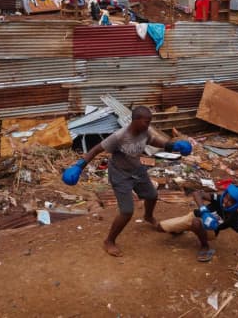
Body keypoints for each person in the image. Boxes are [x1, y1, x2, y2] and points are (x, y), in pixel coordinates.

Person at [61, 106, 192, 257]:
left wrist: (172, 145)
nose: (148, 125)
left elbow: (154, 140)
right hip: (120, 175)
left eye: (149, 122)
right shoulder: (119, 136)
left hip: (137, 170)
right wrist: (79, 166)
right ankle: (109, 241)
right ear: (135, 120)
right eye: (145, 122)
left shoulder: (145, 131)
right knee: (127, 211)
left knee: (152, 195)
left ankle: (148, 217)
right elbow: (96, 149)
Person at [157, 184, 238, 271]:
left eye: (231, 201)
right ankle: (181, 229)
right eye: (226, 197)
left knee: (196, 223)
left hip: (209, 231)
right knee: (160, 227)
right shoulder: (218, 198)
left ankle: (204, 245)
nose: (226, 201)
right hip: (193, 216)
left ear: (237, 205)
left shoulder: (235, 218)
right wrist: (204, 211)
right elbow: (197, 194)